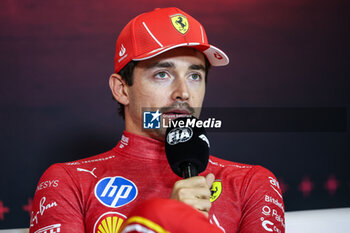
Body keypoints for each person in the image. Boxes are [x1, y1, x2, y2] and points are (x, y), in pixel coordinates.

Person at [29, 7, 285, 233]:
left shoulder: (250, 183)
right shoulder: (68, 182)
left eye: (195, 76)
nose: (183, 93)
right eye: (162, 74)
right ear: (122, 89)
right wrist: (162, 222)